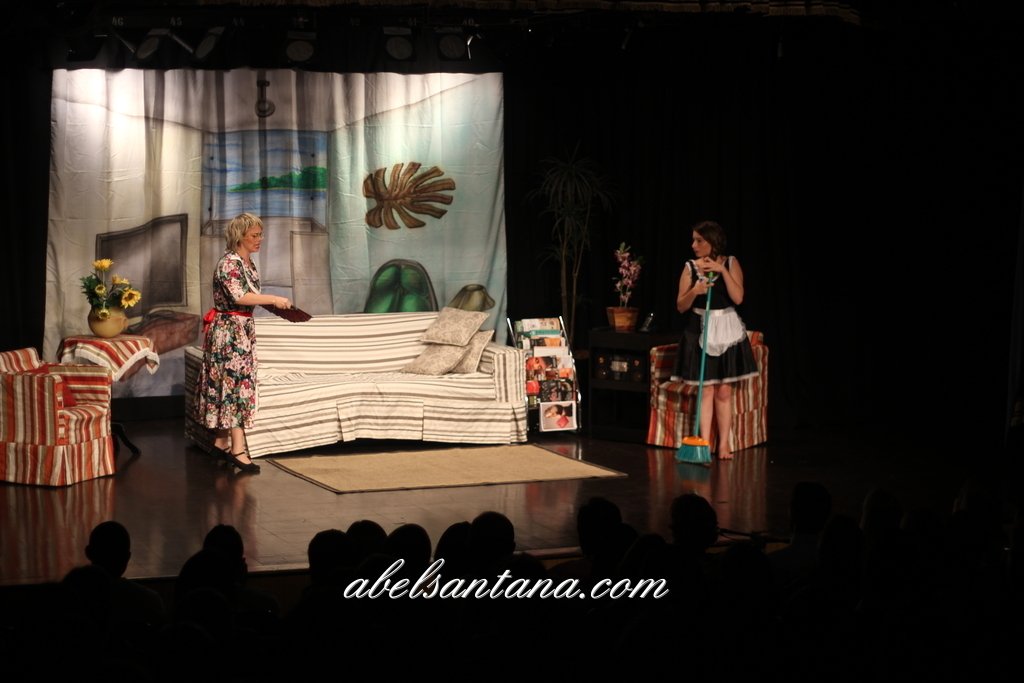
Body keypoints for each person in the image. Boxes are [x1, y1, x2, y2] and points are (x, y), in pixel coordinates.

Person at [195, 212, 291, 473]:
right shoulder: (229, 263)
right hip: (229, 331)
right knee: (234, 385)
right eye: (254, 235)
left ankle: (222, 441)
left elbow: (249, 296)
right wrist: (273, 299)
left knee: (235, 383)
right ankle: (238, 449)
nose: (260, 239)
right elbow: (239, 296)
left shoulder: (248, 263)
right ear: (240, 237)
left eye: (260, 234)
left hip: (241, 328)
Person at [673, 220, 757, 459]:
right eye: (693, 240)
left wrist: (722, 272)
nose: (693, 245)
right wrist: (695, 291)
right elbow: (680, 306)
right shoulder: (690, 267)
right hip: (700, 330)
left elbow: (738, 298)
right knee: (707, 390)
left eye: (699, 240)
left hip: (726, 331)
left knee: (724, 391)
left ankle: (724, 446)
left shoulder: (730, 263)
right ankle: (704, 445)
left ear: (712, 241)